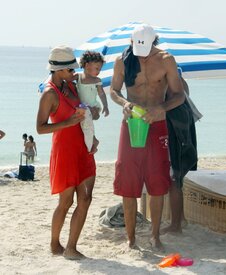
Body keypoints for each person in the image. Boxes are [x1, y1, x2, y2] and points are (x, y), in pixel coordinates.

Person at [110, 24, 185, 249]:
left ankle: (155, 235)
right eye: (135, 46)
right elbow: (114, 90)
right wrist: (124, 103)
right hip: (131, 124)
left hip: (158, 125)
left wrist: (161, 108)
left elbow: (179, 95)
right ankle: (131, 238)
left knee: (158, 181)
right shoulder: (122, 60)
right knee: (128, 181)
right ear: (131, 42)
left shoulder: (166, 60)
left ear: (155, 42)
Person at [36, 45, 99, 260]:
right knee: (66, 202)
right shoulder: (49, 94)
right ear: (59, 70)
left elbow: (86, 111)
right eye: (71, 69)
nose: (74, 72)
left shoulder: (71, 85)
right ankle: (55, 244)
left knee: (86, 198)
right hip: (64, 151)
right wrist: (68, 122)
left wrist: (92, 134)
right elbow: (40, 128)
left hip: (84, 147)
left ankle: (71, 247)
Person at [162, 75, 201, 234]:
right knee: (177, 179)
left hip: (176, 132)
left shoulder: (169, 82)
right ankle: (181, 219)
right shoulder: (179, 80)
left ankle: (175, 226)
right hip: (184, 132)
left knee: (174, 180)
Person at [73, 50, 109, 152]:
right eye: (97, 68)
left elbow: (101, 94)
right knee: (84, 124)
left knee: (86, 122)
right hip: (83, 107)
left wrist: (105, 106)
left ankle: (92, 142)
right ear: (87, 65)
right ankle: (93, 140)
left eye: (100, 69)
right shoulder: (78, 77)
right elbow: (67, 80)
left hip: (93, 106)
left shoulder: (97, 80)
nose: (99, 71)